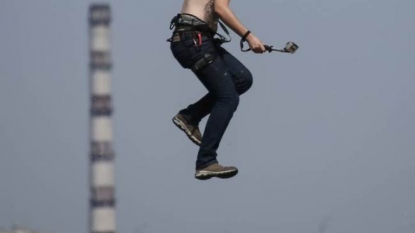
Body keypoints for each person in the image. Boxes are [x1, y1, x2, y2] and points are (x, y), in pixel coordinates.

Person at [167, 0, 266, 180]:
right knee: (228, 98)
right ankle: (206, 162)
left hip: (197, 38)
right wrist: (249, 36)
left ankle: (190, 117)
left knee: (242, 79)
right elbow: (220, 8)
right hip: (193, 38)